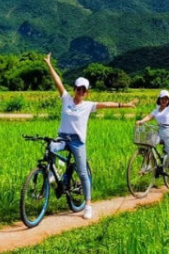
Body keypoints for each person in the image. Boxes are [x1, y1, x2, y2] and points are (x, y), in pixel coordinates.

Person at [44, 53, 138, 219]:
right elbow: (57, 81)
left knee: (82, 173)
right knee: (51, 146)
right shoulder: (66, 98)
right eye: (78, 88)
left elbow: (106, 105)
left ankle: (88, 205)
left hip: (77, 142)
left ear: (86, 92)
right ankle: (53, 173)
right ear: (74, 89)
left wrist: (125, 104)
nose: (80, 92)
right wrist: (49, 64)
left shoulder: (89, 105)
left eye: (83, 90)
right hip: (63, 137)